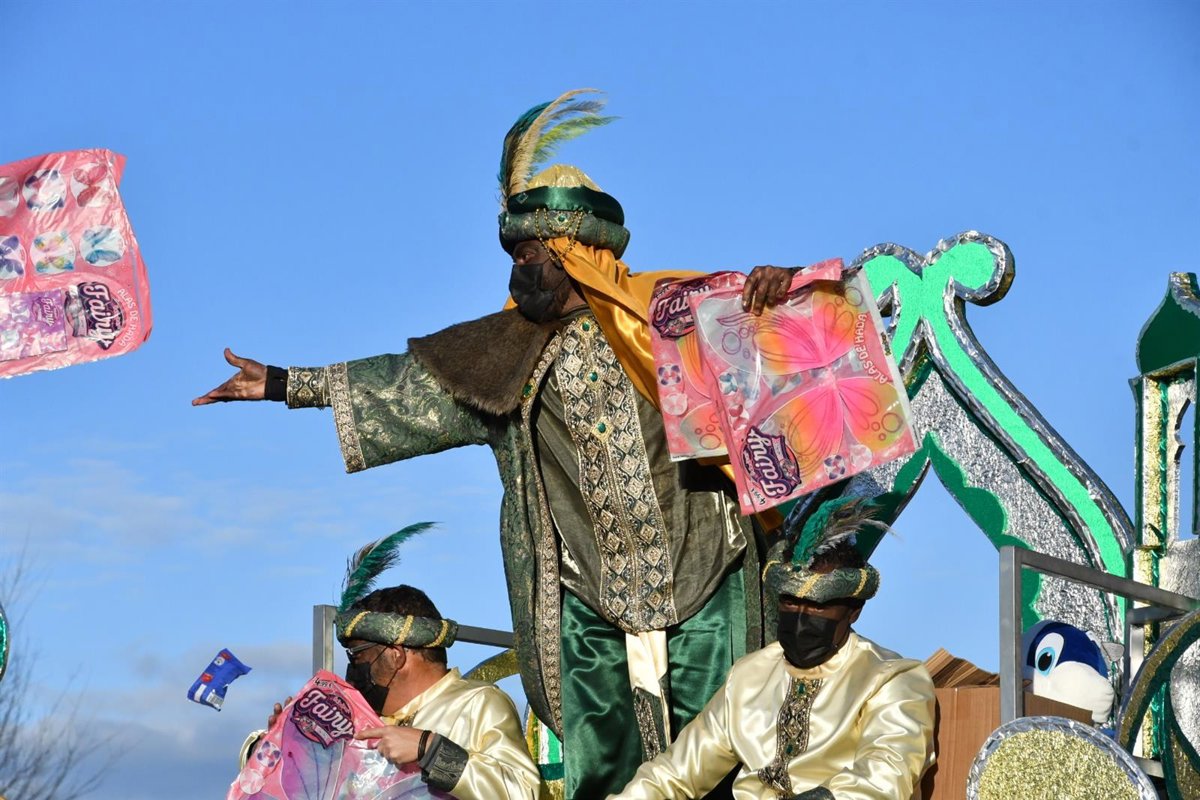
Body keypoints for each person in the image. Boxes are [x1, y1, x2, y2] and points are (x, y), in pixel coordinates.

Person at [198, 89, 798, 798]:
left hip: (708, 577)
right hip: (585, 602)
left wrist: (779, 300)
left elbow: (804, 373)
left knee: (724, 761)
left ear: (575, 252)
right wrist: (283, 383)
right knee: (607, 776)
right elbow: (402, 385)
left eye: (532, 253)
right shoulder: (502, 355)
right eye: (514, 255)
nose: (519, 269)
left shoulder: (679, 319)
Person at [609, 501, 936, 800]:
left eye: (818, 606)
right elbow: (674, 774)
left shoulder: (891, 679)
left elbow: (885, 778)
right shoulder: (749, 676)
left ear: (853, 612)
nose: (801, 617)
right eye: (790, 602)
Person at [245, 583, 540, 799]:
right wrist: (285, 748)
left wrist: (430, 749)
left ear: (395, 655)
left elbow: (522, 793)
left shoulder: (477, 704)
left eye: (357, 655)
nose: (352, 669)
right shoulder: (357, 720)